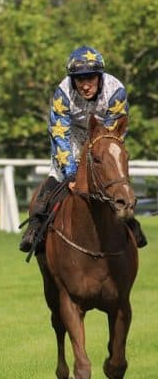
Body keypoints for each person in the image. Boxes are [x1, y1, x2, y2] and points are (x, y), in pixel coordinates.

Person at [20, 46, 147, 252]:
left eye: (91, 79)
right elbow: (59, 132)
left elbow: (114, 133)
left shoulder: (116, 92)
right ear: (72, 79)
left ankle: (130, 222)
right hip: (71, 138)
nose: (85, 85)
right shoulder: (63, 93)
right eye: (80, 79)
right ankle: (36, 228)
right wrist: (71, 173)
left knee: (112, 178)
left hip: (104, 136)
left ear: (100, 76)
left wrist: (96, 158)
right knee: (51, 184)